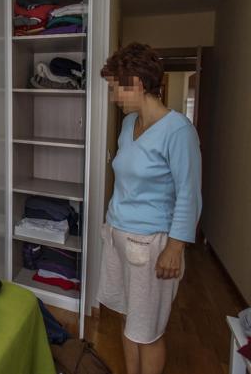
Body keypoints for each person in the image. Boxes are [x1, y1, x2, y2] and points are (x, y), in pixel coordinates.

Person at [97, 43, 202, 374]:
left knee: (148, 332)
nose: (115, 97)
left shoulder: (178, 131)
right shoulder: (129, 125)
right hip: (118, 234)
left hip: (151, 244)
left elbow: (189, 193)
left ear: (136, 84)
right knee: (130, 319)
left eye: (117, 88)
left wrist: (175, 246)